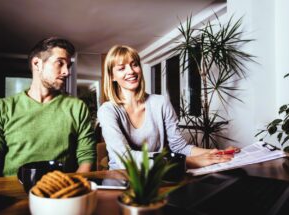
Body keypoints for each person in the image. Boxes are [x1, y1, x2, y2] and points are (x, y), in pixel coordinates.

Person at [97, 45, 238, 170]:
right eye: (122, 68)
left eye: (134, 65)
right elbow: (125, 159)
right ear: (112, 76)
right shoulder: (107, 110)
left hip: (159, 175)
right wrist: (188, 162)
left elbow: (179, 147)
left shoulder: (161, 102)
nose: (131, 71)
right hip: (122, 179)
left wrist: (217, 153)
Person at [0, 37, 96, 178]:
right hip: (13, 193)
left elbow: (87, 156)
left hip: (61, 192)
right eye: (60, 63)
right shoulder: (2, 108)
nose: (66, 72)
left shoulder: (77, 107)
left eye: (68, 66)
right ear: (37, 63)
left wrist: (72, 191)